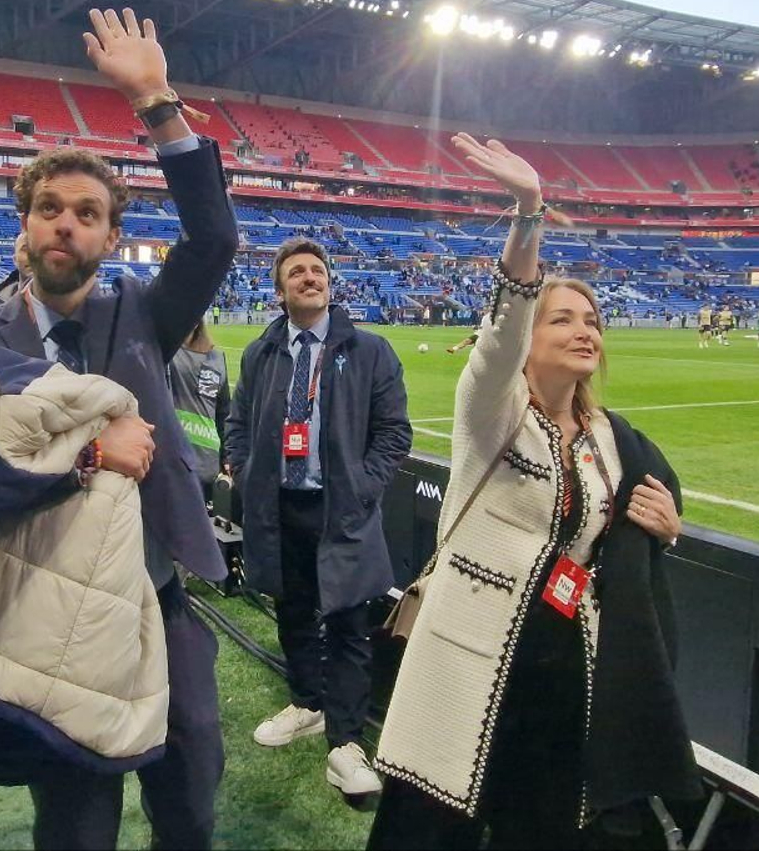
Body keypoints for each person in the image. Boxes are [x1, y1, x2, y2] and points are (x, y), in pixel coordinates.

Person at [0, 7, 236, 850]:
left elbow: (214, 236)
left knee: (189, 794)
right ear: (24, 224)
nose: (64, 222)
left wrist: (156, 101)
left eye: (85, 212)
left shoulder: (145, 312)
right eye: (48, 208)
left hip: (158, 595)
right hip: (44, 609)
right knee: (73, 821)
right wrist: (84, 461)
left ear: (111, 235)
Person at [370, 133, 700, 850]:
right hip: (469, 650)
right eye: (563, 318)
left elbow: (643, 513)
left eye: (592, 321)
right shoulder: (491, 410)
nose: (585, 331)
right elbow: (500, 329)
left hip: (564, 666)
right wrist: (529, 211)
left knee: (542, 824)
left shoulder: (613, 437)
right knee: (430, 820)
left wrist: (665, 526)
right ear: (529, 334)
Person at [226, 237, 411, 804]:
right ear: (280, 290)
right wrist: (243, 463)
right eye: (297, 272)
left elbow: (393, 433)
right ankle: (307, 703)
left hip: (342, 511)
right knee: (294, 611)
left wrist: (362, 487)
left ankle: (348, 742)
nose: (310, 277)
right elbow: (237, 419)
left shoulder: (370, 350)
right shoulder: (261, 353)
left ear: (329, 283)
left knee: (351, 626)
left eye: (318, 270)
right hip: (278, 508)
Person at [169, 318, 230, 500]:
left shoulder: (217, 358)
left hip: (208, 467)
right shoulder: (163, 353)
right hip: (172, 464)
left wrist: (227, 458)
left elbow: (224, 412)